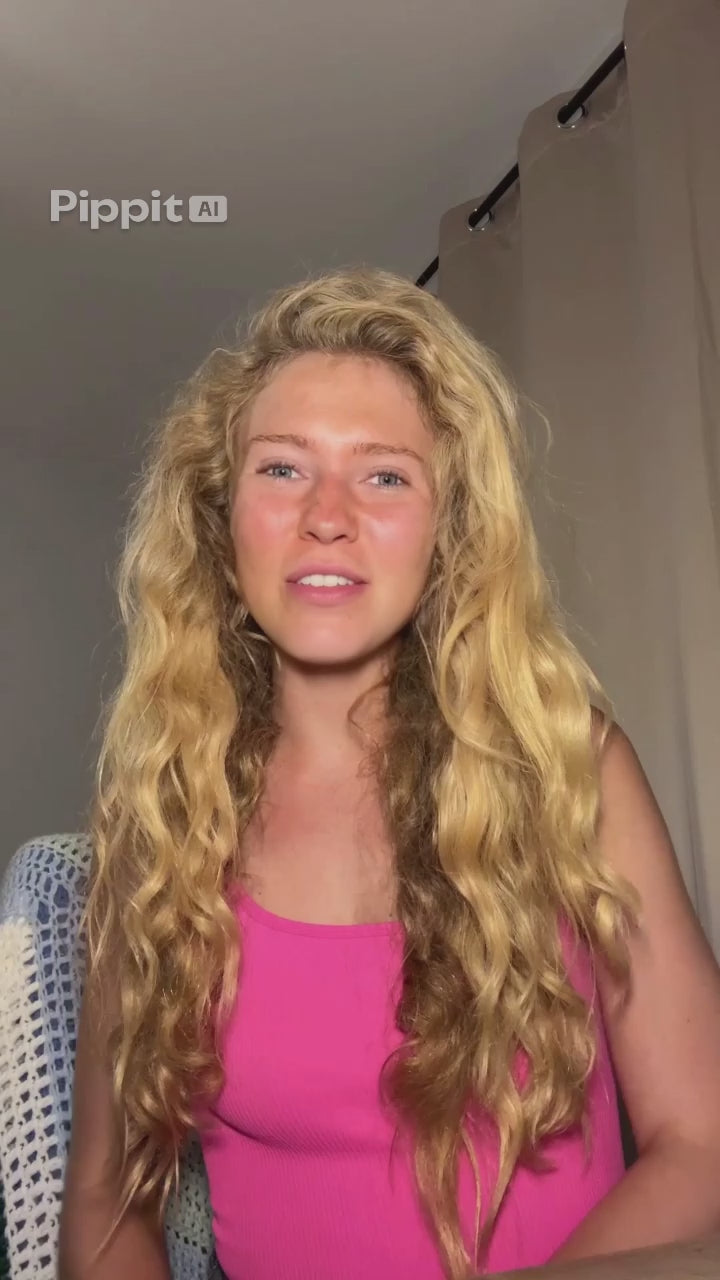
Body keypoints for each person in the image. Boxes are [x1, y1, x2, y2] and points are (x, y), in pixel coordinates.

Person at [58, 266, 720, 1280]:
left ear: (449, 530)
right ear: (221, 517)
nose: (327, 514)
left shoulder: (570, 766)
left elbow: (702, 1137)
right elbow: (107, 1196)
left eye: (384, 476)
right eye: (283, 469)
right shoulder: (160, 813)